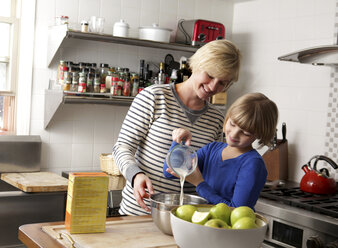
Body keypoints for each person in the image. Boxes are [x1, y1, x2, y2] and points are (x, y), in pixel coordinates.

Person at [112, 39, 241, 216]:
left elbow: (211, 169)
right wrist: (136, 175)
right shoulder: (154, 97)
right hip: (139, 212)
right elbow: (121, 147)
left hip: (187, 218)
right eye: (210, 75)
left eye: (222, 83)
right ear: (196, 65)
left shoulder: (217, 119)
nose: (213, 87)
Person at [164, 92, 279, 210]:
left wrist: (199, 183)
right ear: (227, 117)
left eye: (245, 133)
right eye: (232, 124)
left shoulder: (253, 164)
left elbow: (237, 211)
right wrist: (178, 143)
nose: (234, 134)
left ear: (260, 134)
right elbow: (169, 172)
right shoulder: (212, 149)